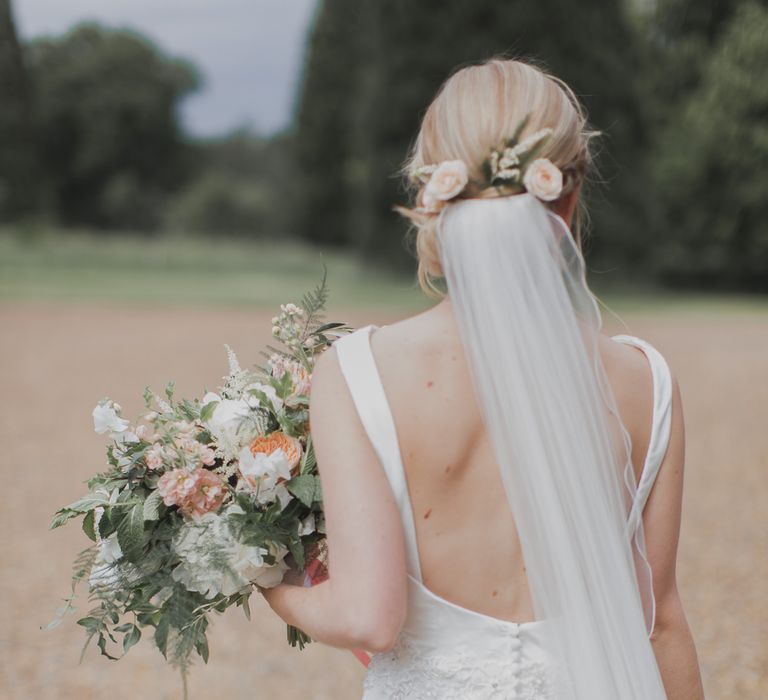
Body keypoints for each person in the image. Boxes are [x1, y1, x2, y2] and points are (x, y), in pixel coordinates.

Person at [260, 57, 704, 699]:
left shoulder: (359, 373)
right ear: (569, 193)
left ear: (429, 196)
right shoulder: (647, 382)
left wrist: (271, 585)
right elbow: (659, 623)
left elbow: (369, 619)